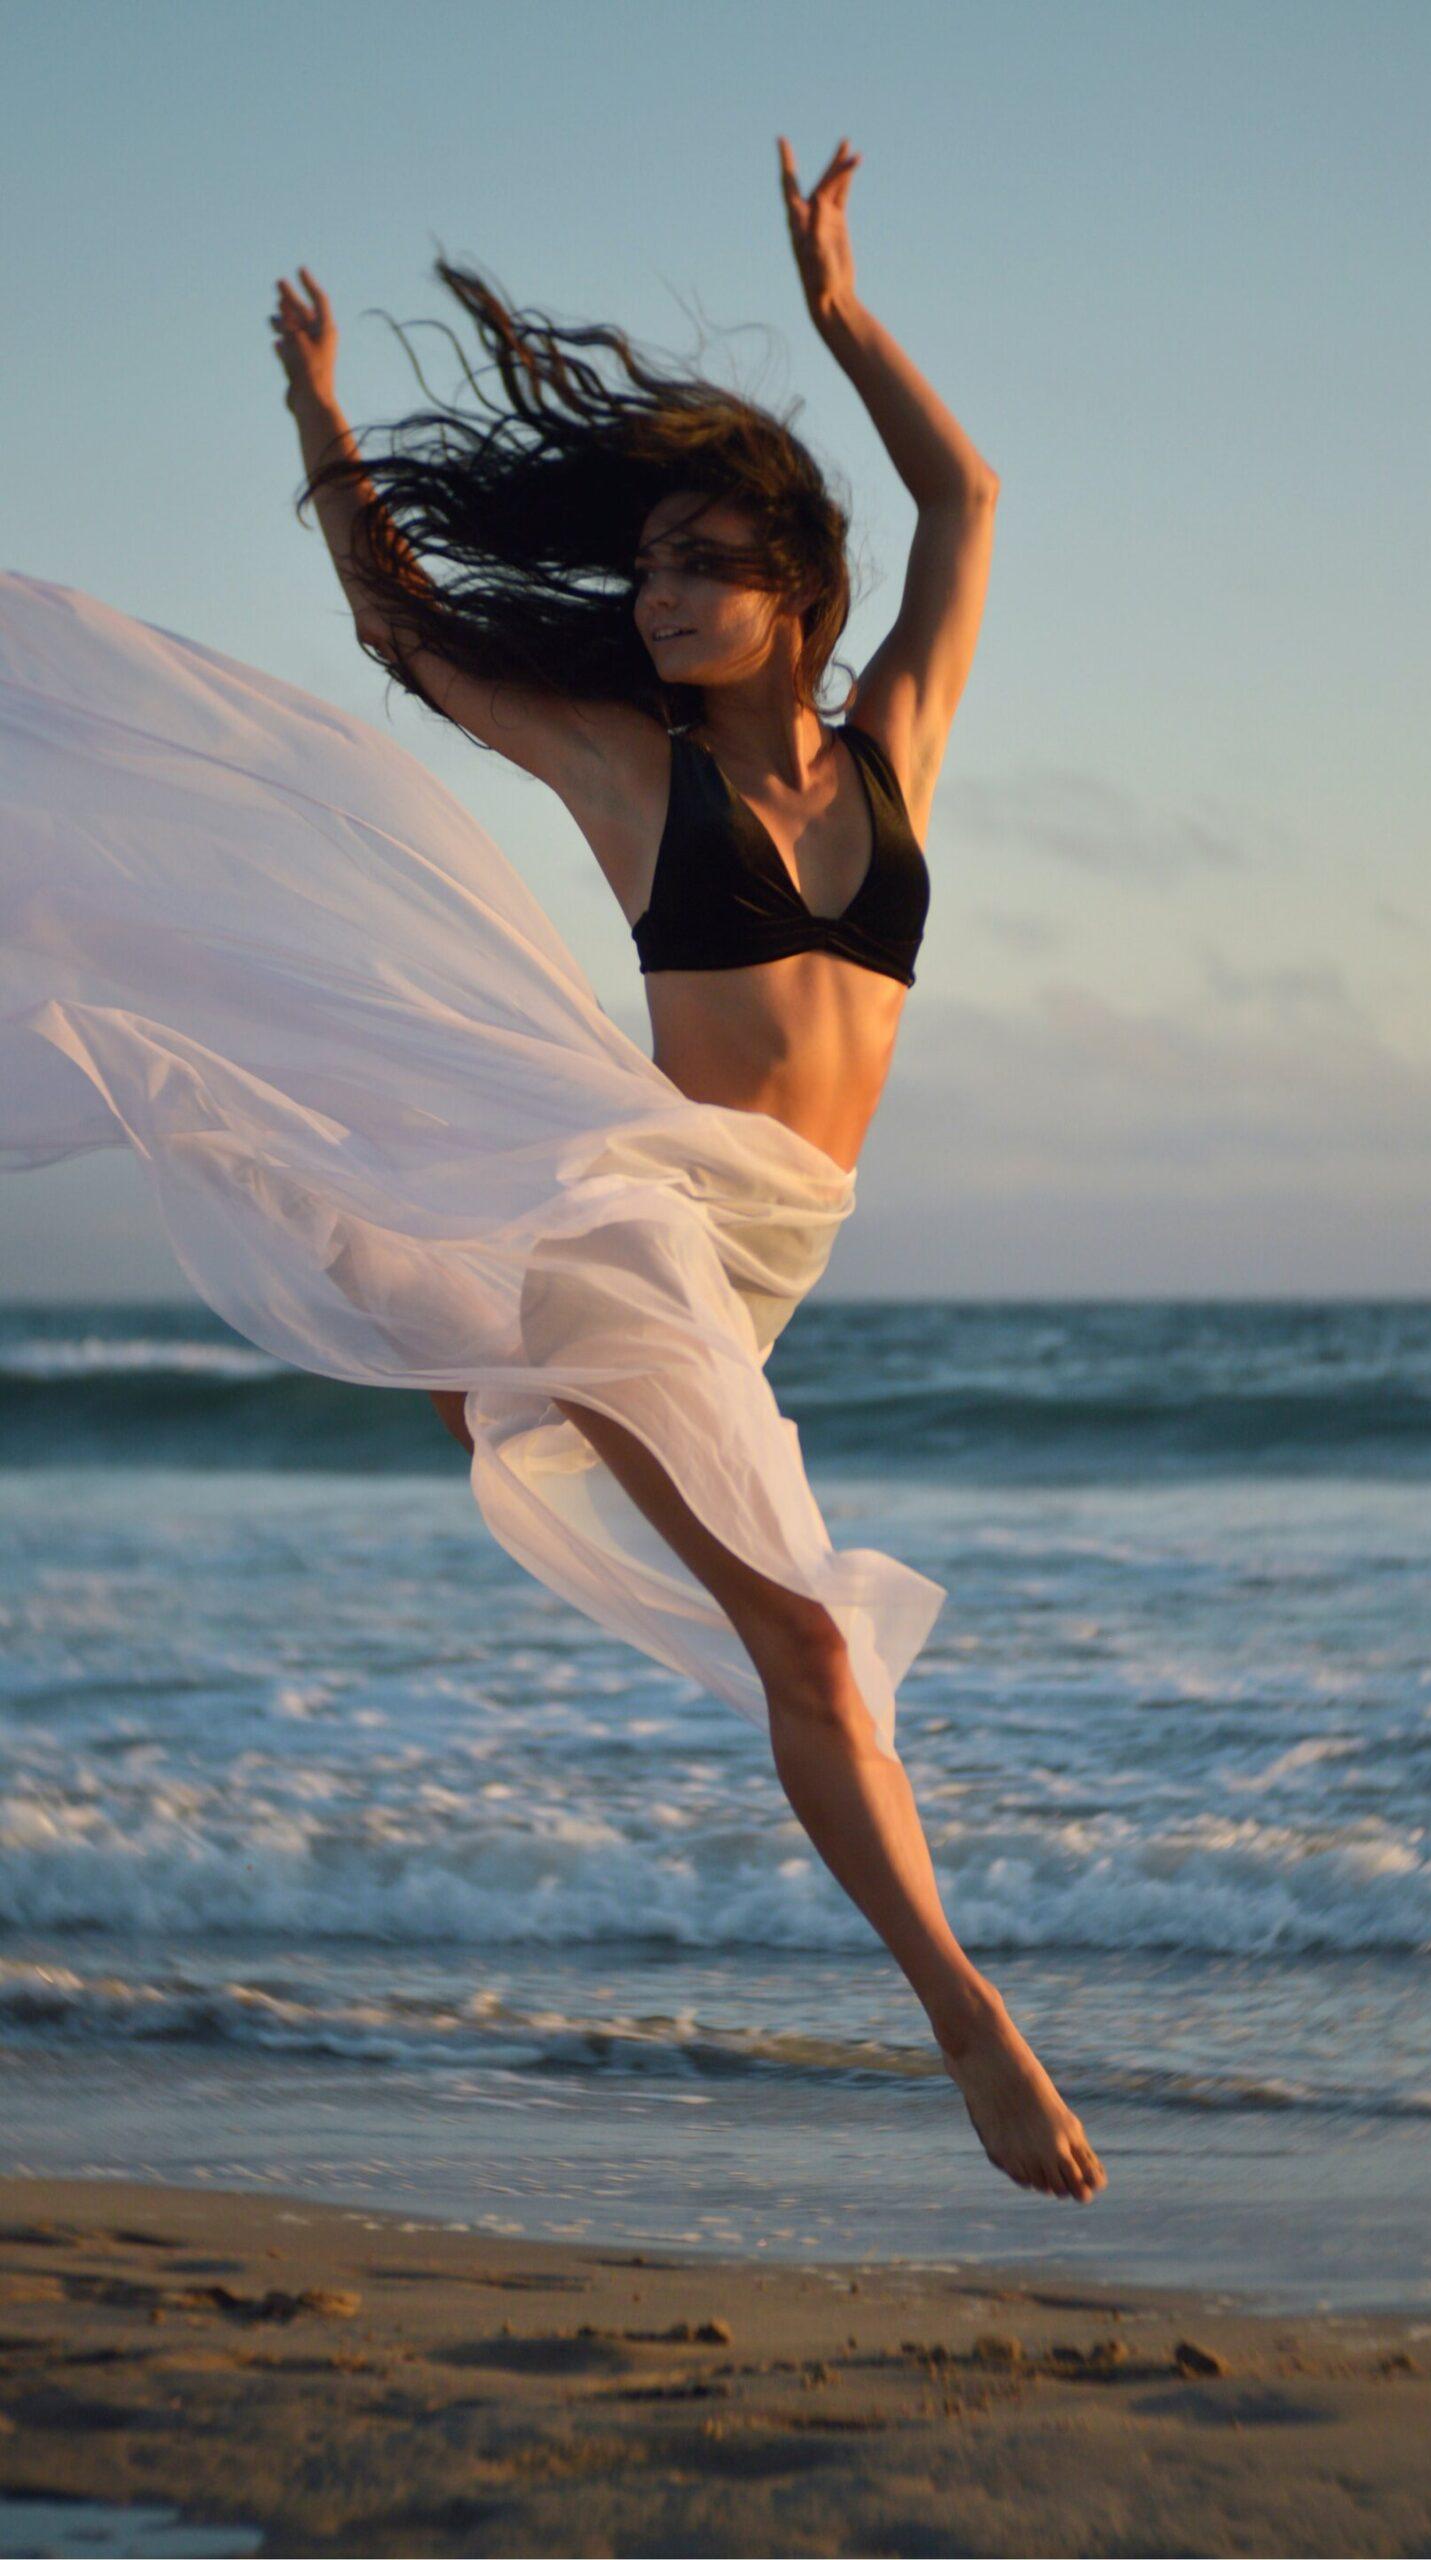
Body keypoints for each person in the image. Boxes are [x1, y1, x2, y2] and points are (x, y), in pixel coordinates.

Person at [1, 137, 1103, 2205]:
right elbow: (403, 631)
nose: (658, 595)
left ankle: (463, 1336)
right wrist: (323, 422)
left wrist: (844, 318)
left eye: (702, 565)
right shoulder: (625, 760)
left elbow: (965, 500)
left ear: (796, 596)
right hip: (644, 1208)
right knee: (805, 1642)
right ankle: (969, 2015)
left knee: (729, 1567)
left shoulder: (894, 746)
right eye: (650, 566)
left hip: (770, 1254)